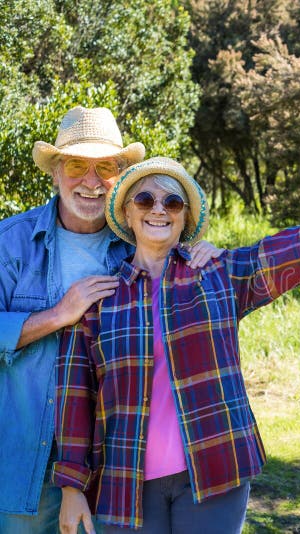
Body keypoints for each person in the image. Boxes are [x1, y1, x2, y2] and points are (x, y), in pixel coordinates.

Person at [54, 156, 300, 533]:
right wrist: (72, 487)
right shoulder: (99, 299)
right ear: (126, 213)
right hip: (127, 484)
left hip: (215, 472)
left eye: (172, 201)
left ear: (186, 218)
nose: (159, 209)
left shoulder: (219, 274)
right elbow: (76, 399)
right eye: (145, 199)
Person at [0, 107, 221, 534]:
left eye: (104, 167)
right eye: (76, 165)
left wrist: (202, 252)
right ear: (56, 172)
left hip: (112, 469)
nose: (89, 180)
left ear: (121, 175)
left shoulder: (138, 247)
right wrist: (57, 316)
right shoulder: (11, 243)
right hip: (22, 457)